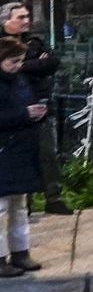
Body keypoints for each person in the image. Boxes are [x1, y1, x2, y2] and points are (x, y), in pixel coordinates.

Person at [0, 4, 63, 215]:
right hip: (11, 112)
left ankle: (52, 197)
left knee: (46, 153)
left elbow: (52, 63)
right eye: (21, 17)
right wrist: (33, 64)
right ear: (6, 21)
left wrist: (22, 65)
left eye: (27, 16)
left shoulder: (34, 42)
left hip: (38, 106)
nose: (26, 21)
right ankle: (22, 202)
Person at [0, 37, 49, 277]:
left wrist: (38, 113)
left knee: (19, 206)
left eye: (20, 61)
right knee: (1, 209)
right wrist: (24, 114)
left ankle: (21, 252)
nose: (18, 65)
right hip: (5, 150)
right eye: (13, 61)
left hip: (20, 150)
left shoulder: (19, 80)